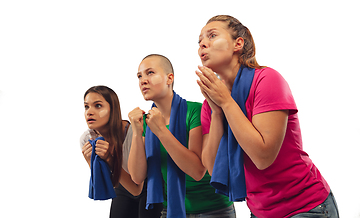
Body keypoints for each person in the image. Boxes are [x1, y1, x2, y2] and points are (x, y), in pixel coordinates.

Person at [196, 15, 339, 218]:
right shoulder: (211, 104)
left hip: (306, 207)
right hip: (261, 211)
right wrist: (218, 112)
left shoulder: (267, 80)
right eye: (199, 40)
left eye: (212, 35)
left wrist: (227, 102)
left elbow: (263, 157)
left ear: (238, 44)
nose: (203, 43)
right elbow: (211, 167)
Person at [128, 54, 235, 218]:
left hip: (213, 209)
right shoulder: (146, 122)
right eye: (139, 76)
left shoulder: (194, 111)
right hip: (170, 209)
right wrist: (136, 132)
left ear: (169, 78)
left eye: (150, 73)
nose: (143, 80)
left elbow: (197, 171)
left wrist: (162, 131)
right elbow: (137, 176)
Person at [80, 85, 162, 218]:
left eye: (98, 106)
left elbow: (136, 189)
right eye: (86, 106)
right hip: (122, 184)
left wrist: (110, 160)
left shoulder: (132, 133)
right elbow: (107, 184)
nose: (89, 112)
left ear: (113, 110)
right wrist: (91, 161)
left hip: (148, 184)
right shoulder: (87, 139)